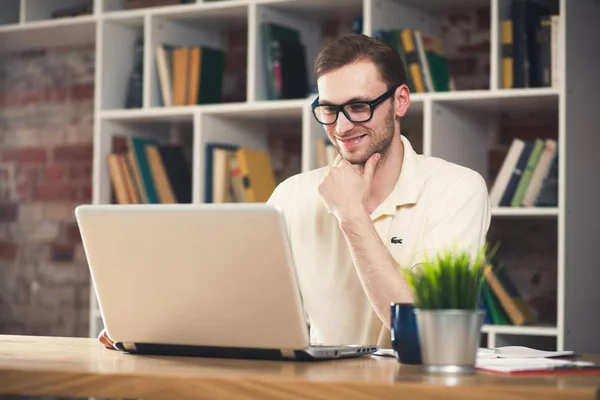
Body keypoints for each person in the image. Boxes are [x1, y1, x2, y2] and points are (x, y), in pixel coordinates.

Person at [98, 33, 491, 350]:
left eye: (358, 107)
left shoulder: (457, 189)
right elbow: (239, 304)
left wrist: (351, 215)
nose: (341, 127)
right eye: (329, 109)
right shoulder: (292, 194)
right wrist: (149, 331)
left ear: (400, 101)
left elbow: (421, 330)